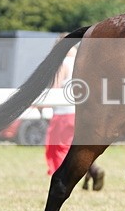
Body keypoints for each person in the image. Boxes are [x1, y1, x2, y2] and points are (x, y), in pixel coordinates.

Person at [44, 38, 105, 190]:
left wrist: (43, 104)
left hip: (63, 113)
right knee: (77, 147)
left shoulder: (62, 64)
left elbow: (55, 88)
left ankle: (63, 179)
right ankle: (92, 170)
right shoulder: (84, 63)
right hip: (80, 112)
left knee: (58, 148)